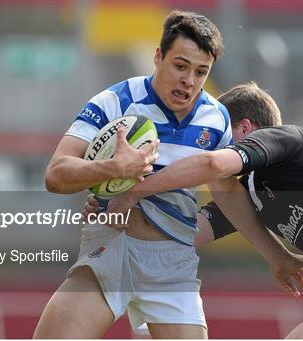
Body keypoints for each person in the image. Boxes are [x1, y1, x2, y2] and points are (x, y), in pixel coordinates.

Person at [85, 82, 303, 338]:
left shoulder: (288, 141)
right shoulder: (247, 191)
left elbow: (209, 164)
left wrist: (137, 187)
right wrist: (114, 212)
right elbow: (182, 233)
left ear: (246, 129)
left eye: (221, 133)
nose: (212, 139)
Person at [35, 10, 236, 339]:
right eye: (180, 66)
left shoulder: (217, 120)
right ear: (158, 57)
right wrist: (114, 168)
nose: (189, 80)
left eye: (201, 72)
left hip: (173, 264)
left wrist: (275, 254)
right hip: (112, 248)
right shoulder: (115, 101)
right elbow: (55, 174)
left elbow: (230, 197)